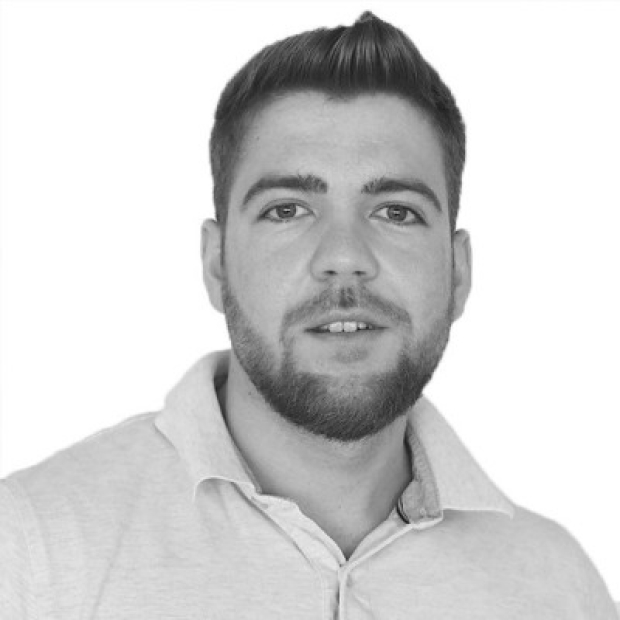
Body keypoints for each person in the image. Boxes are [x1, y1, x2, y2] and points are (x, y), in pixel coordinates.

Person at [1, 10, 617, 619]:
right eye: (287, 210)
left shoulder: (559, 590)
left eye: (396, 212)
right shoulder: (30, 551)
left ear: (458, 273)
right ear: (216, 263)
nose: (344, 258)